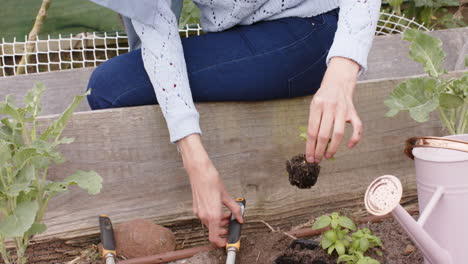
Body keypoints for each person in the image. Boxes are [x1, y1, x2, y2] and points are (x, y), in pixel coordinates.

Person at [87, 0, 381, 248]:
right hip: (245, 36)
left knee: (112, 87)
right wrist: (195, 160)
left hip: (313, 28)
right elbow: (155, 26)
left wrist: (343, 67)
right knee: (110, 87)